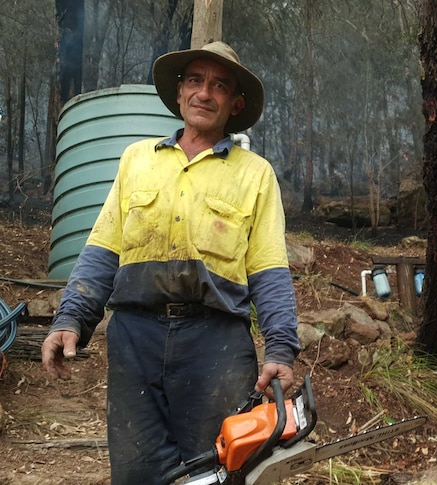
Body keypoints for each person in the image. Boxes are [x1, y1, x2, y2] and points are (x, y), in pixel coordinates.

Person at [41, 41, 300, 484]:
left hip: (215, 345)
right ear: (179, 93)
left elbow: (269, 270)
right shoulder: (137, 160)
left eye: (219, 86)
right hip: (134, 342)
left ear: (235, 103)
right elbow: (103, 250)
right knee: (137, 470)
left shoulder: (254, 174)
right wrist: (71, 318)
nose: (205, 93)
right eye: (195, 81)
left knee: (216, 471)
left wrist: (280, 348)